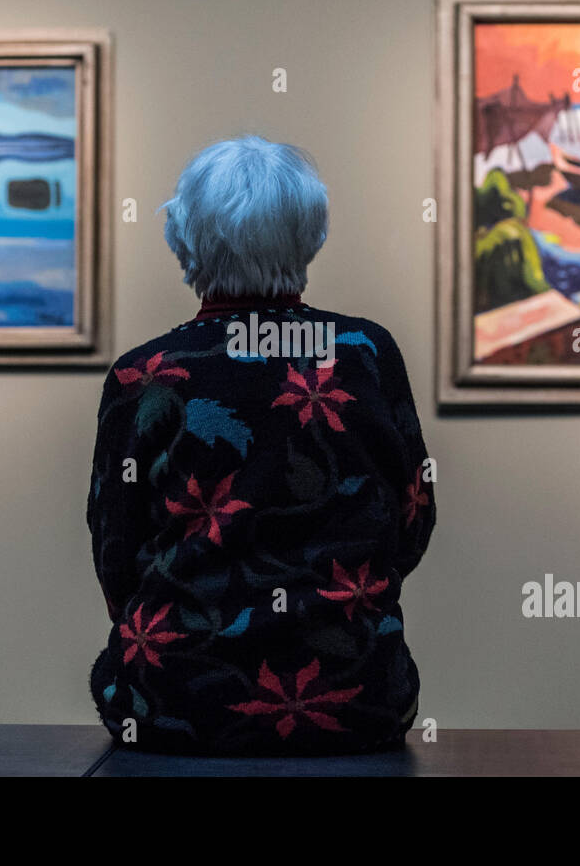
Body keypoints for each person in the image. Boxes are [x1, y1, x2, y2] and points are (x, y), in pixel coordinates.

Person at [87, 135, 435, 754]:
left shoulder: (148, 374)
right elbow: (412, 518)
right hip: (357, 699)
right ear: (310, 234)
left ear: (183, 238)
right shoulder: (365, 355)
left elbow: (117, 548)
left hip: (174, 704)